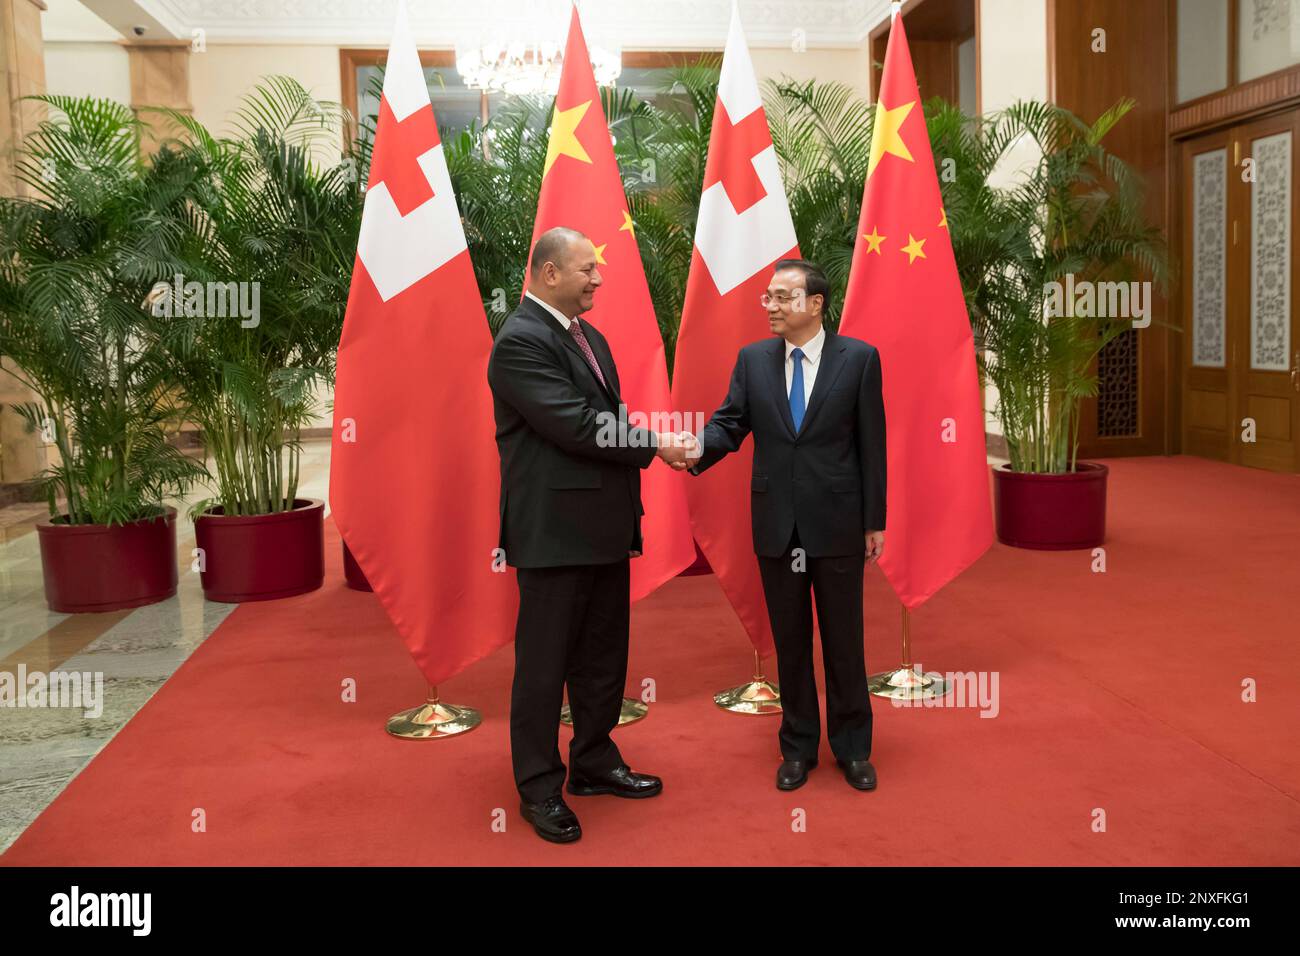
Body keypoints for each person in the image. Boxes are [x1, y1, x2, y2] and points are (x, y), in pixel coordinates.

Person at [486, 226, 695, 843]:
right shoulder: (520, 341)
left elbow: (607, 419)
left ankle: (596, 762)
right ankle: (539, 788)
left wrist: (650, 438)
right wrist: (656, 444)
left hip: (603, 527)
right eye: (587, 270)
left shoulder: (590, 336)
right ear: (549, 274)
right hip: (552, 534)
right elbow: (577, 426)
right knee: (545, 666)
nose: (598, 279)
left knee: (604, 654)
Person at [685, 259, 886, 792]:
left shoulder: (859, 359)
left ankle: (853, 748)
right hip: (777, 524)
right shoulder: (753, 361)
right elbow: (731, 423)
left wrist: (875, 521)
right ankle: (797, 746)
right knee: (791, 641)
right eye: (766, 298)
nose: (769, 306)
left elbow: (873, 445)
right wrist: (696, 448)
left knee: (845, 640)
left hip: (839, 522)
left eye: (780, 297)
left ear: (815, 304)